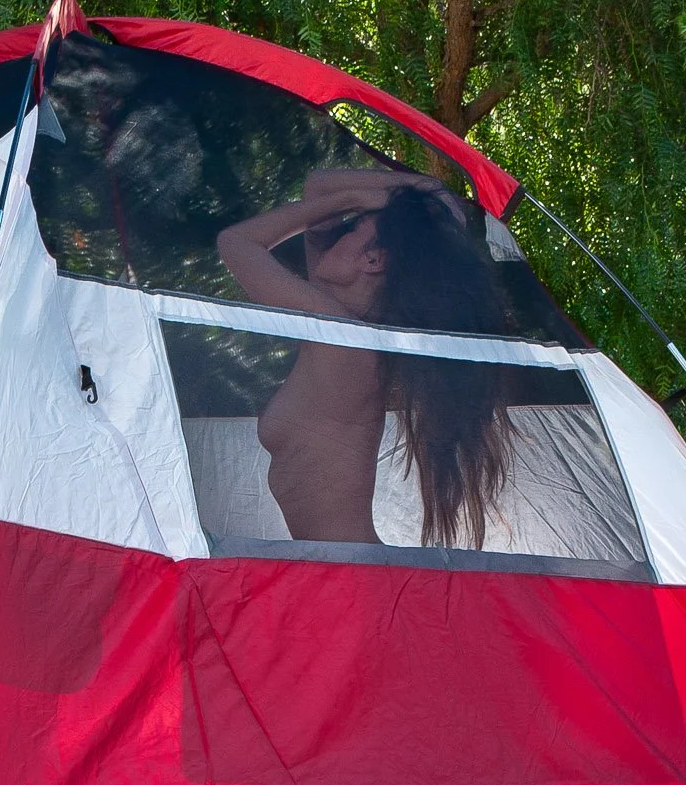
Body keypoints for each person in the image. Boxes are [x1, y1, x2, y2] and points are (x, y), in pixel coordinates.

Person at [215, 168, 513, 549]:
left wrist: (352, 201)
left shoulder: (344, 339)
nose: (338, 233)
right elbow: (316, 187)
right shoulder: (340, 324)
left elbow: (235, 243)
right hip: (341, 564)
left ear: (373, 261)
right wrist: (421, 189)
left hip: (348, 569)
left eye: (352, 230)